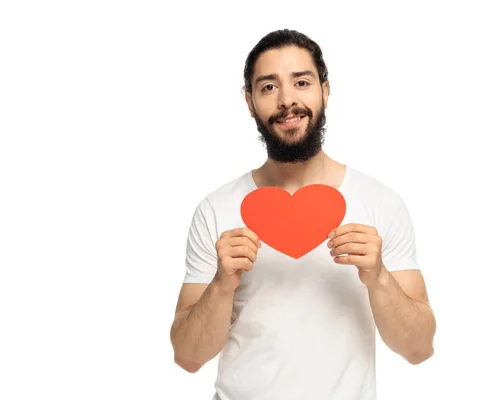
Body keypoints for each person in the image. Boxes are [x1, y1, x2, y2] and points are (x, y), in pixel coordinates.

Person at [170, 29, 436, 400]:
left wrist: (378, 278)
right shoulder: (216, 209)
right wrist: (221, 284)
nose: (287, 100)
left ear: (325, 91)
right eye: (268, 87)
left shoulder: (380, 203)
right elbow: (187, 357)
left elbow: (419, 349)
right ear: (249, 102)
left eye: (301, 81)